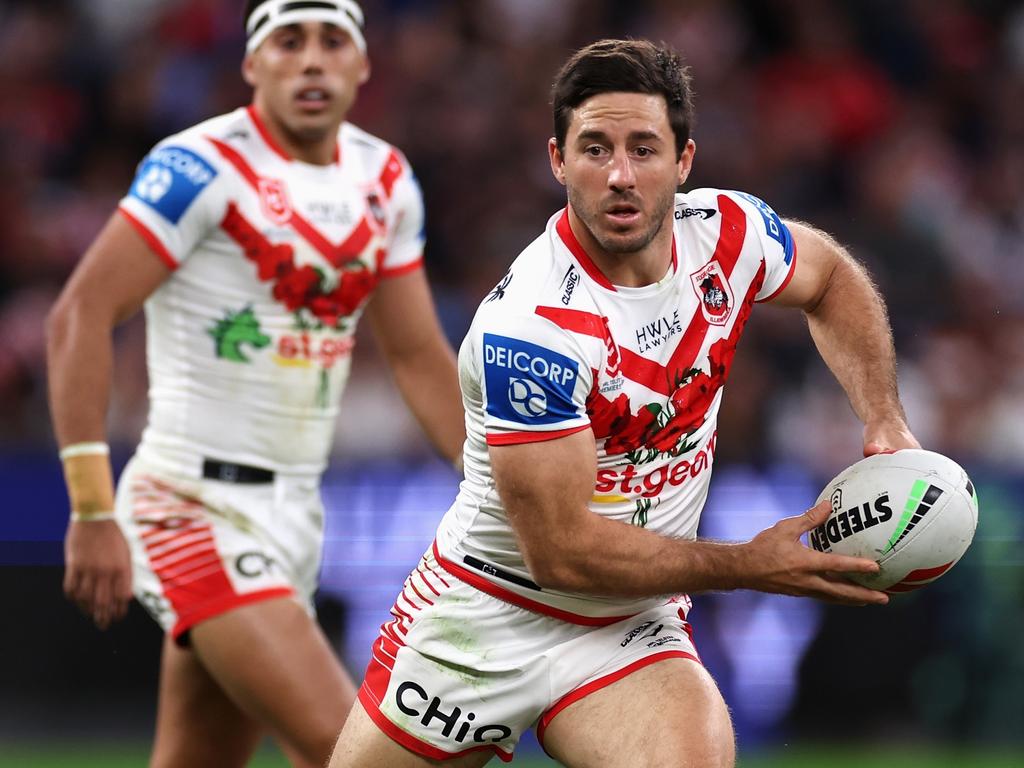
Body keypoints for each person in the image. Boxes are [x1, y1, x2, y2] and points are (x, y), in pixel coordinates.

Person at [328, 38, 921, 768]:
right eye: (595, 148)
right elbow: (562, 554)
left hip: (628, 625)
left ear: (684, 161)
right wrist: (745, 565)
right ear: (557, 159)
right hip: (485, 612)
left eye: (644, 148)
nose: (619, 175)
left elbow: (828, 277)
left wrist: (883, 416)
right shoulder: (531, 329)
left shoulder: (726, 237)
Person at [45, 2, 465, 766]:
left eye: (333, 41)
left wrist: (495, 484)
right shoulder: (198, 165)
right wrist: (91, 505)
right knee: (359, 752)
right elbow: (79, 313)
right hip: (189, 505)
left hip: (294, 513)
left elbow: (416, 355)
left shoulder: (387, 178)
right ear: (250, 65)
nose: (311, 60)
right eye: (288, 41)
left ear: (363, 65)